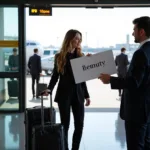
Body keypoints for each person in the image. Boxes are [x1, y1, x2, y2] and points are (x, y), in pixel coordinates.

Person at [99, 16, 150, 150]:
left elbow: (134, 82)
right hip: (147, 109)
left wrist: (110, 80)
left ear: (142, 32)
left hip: (137, 111)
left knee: (136, 145)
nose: (133, 33)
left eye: (134, 29)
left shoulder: (141, 53)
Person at [43, 29, 91, 150]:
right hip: (64, 94)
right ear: (69, 39)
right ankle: (65, 147)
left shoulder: (81, 56)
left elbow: (83, 78)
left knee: (79, 125)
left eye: (80, 39)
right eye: (76, 38)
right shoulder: (59, 56)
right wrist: (49, 89)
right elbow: (55, 76)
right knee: (65, 125)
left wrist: (87, 95)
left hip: (78, 94)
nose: (78, 41)